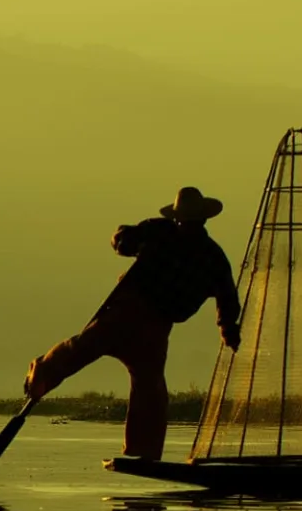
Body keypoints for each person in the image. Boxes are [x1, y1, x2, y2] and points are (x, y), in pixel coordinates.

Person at [24, 186, 242, 460]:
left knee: (149, 387)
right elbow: (123, 241)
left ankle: (144, 452)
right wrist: (127, 238)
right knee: (81, 350)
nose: (188, 226)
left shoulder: (209, 255)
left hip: (155, 326)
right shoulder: (166, 234)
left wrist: (228, 329)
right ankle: (40, 376)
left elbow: (227, 297)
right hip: (127, 312)